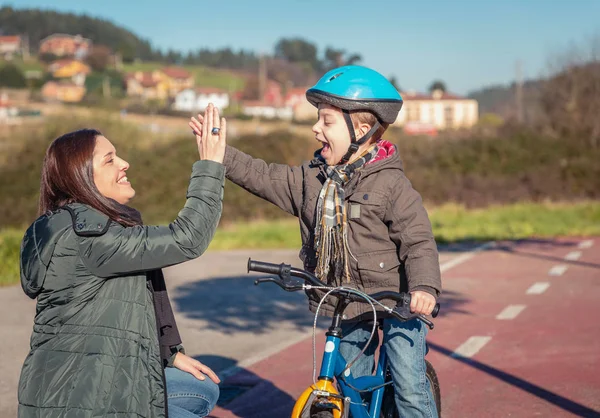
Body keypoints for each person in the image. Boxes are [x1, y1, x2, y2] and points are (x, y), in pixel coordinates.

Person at [190, 67, 442, 417]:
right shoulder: (311, 181)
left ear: (362, 130)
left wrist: (424, 288)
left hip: (397, 303)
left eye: (327, 121)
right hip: (349, 305)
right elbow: (262, 175)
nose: (315, 129)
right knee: (351, 386)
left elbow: (418, 242)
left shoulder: (391, 186)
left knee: (408, 384)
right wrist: (221, 155)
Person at [18, 106, 228, 418]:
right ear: (82, 179)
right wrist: (210, 165)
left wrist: (169, 353)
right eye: (110, 159)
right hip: (79, 403)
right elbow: (187, 238)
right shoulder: (88, 237)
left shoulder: (85, 227)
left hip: (83, 382)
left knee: (202, 388)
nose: (124, 163)